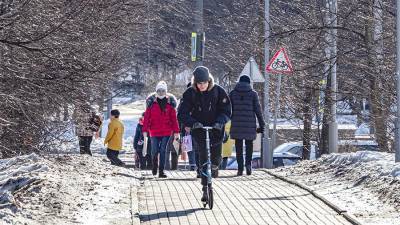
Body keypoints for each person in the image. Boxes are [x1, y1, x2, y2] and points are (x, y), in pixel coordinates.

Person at [178, 66, 231, 201]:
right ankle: (204, 188)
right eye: (199, 83)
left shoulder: (218, 91)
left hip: (216, 129)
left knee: (216, 158)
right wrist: (192, 122)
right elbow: (182, 113)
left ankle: (214, 167)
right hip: (199, 129)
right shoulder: (190, 93)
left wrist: (219, 122)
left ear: (209, 81)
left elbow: (226, 110)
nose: (201, 86)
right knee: (202, 158)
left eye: (204, 83)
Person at [229, 75, 265, 176]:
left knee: (238, 146)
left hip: (236, 124)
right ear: (249, 83)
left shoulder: (232, 93)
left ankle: (240, 168)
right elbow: (258, 110)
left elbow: (228, 109)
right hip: (250, 125)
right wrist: (262, 125)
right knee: (249, 145)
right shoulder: (253, 94)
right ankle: (248, 166)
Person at [143, 81, 180, 178]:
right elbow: (146, 117)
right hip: (154, 131)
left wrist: (176, 132)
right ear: (156, 91)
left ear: (166, 92)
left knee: (163, 150)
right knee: (154, 150)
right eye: (159, 91)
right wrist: (145, 130)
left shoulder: (170, 104)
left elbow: (174, 119)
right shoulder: (151, 104)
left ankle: (161, 171)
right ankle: (154, 166)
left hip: (166, 131)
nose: (161, 93)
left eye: (163, 91)